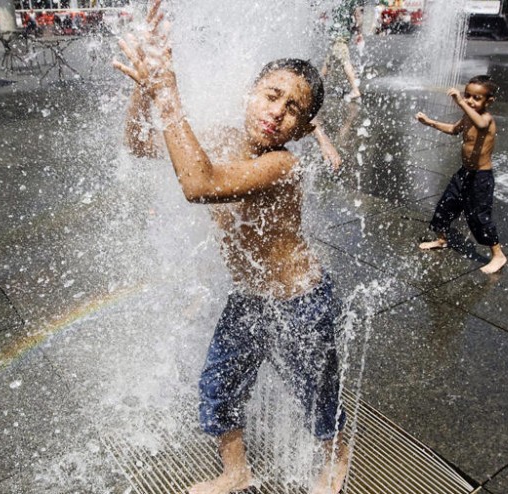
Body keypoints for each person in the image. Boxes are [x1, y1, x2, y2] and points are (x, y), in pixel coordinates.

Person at [113, 2, 349, 493]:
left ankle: (335, 456)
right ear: (251, 92)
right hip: (250, 298)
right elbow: (138, 144)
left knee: (317, 396)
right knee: (219, 387)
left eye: (293, 110)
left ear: (304, 130)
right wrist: (145, 89)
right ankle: (236, 471)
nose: (277, 113)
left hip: (301, 301)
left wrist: (169, 94)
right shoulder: (221, 137)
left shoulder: (283, 166)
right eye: (271, 96)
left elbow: (199, 184)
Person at [415, 75, 507, 274]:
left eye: (477, 98)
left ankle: (498, 255)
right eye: (468, 96)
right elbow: (453, 129)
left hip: (481, 178)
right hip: (464, 173)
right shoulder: (468, 117)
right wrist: (429, 122)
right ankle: (441, 239)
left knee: (480, 217)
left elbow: (480, 125)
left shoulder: (486, 120)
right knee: (446, 205)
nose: (471, 101)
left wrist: (460, 102)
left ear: (489, 101)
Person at [321, 0, 363, 101]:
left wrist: (359, 33)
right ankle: (318, 87)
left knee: (345, 62)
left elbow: (358, 15)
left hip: (339, 38)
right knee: (328, 63)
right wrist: (358, 31)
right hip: (337, 38)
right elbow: (358, 17)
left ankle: (355, 90)